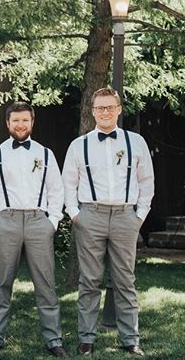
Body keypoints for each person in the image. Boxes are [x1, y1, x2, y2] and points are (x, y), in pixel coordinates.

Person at [63, 87, 154, 357]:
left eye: (109, 107)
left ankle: (130, 339)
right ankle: (87, 338)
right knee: (89, 280)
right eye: (100, 108)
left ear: (118, 109)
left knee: (125, 280)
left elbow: (146, 181)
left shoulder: (136, 142)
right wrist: (75, 214)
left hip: (126, 215)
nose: (105, 112)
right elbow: (69, 183)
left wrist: (139, 216)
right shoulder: (79, 145)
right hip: (90, 215)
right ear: (92, 112)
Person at [0, 102, 66, 357]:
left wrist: (52, 221)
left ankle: (54, 340)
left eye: (25, 120)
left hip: (39, 222)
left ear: (32, 122)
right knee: (2, 283)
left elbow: (56, 190)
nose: (20, 125)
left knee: (46, 284)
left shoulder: (45, 154)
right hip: (7, 221)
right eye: (15, 120)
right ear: (8, 123)